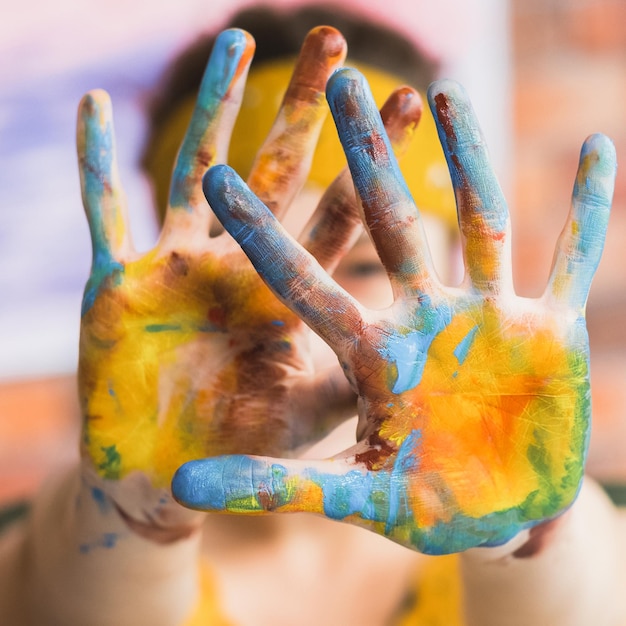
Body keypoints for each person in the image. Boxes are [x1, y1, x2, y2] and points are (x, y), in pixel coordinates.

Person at [0, 7, 624, 626]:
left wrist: (524, 539)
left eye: (360, 267)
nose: (297, 330)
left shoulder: (590, 545)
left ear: (455, 270)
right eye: (242, 277)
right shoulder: (59, 548)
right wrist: (129, 514)